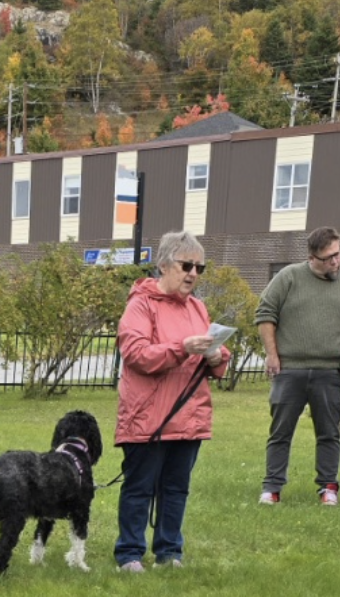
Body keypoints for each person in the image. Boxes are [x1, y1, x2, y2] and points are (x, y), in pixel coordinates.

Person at [113, 231, 230, 573]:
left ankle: (169, 552)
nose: (193, 273)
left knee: (176, 489)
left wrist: (215, 356)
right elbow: (136, 354)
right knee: (139, 488)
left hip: (189, 415)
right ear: (164, 265)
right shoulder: (140, 304)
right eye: (186, 265)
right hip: (148, 415)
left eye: (199, 267)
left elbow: (216, 361)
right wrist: (182, 348)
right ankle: (130, 554)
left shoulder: (198, 307)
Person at [255, 226, 340, 506]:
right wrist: (272, 354)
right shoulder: (289, 277)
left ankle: (328, 487)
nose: (335, 261)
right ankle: (272, 487)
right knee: (280, 432)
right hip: (289, 370)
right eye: (328, 257)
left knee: (329, 432)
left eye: (337, 254)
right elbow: (265, 313)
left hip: (330, 371)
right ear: (312, 257)